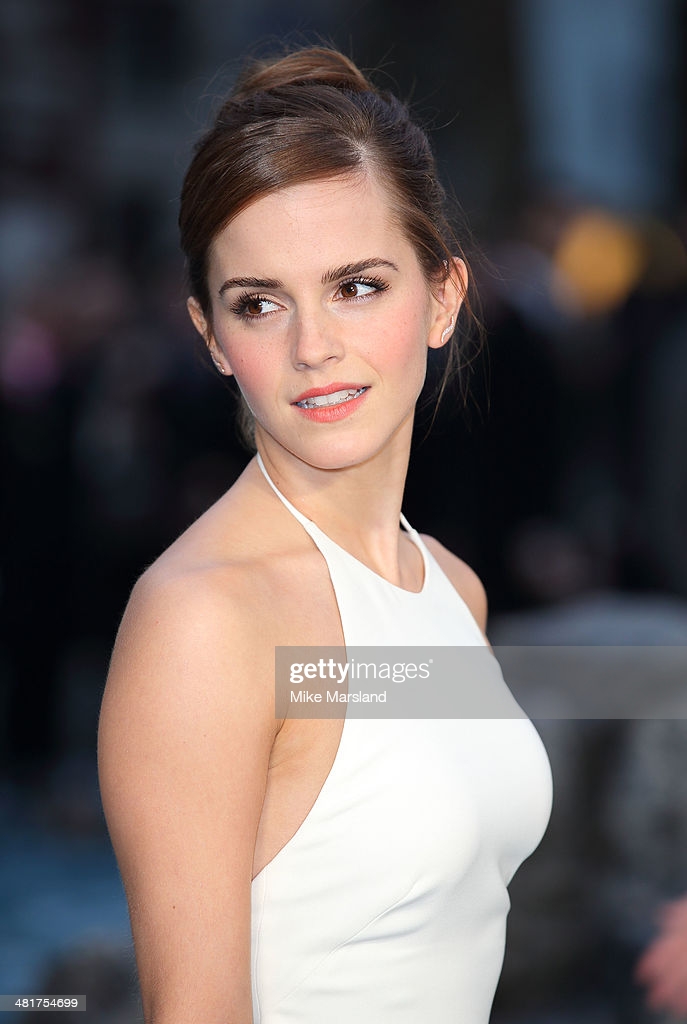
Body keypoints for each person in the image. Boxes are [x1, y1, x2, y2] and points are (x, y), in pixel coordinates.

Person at [97, 45, 552, 1024]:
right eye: (260, 304)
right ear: (213, 338)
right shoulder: (204, 619)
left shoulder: (453, 588)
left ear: (442, 297)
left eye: (356, 286)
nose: (313, 347)